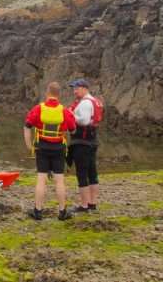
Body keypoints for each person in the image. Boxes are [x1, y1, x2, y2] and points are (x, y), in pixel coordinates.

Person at [23, 81, 76, 220]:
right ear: (59, 94)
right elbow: (73, 129)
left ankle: (38, 211)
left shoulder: (38, 109)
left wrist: (29, 146)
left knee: (41, 179)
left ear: (47, 93)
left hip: (42, 148)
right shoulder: (64, 111)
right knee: (60, 180)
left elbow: (27, 126)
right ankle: (62, 211)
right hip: (59, 148)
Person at [67, 78, 101, 213]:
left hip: (82, 142)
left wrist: (71, 115)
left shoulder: (86, 103)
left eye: (76, 88)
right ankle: (93, 203)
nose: (74, 91)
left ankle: (84, 205)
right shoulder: (95, 101)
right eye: (73, 88)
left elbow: (84, 120)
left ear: (84, 88)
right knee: (92, 172)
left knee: (82, 173)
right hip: (92, 141)